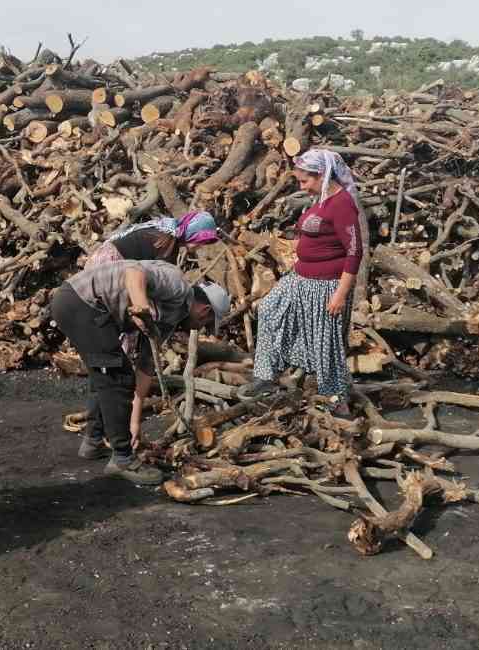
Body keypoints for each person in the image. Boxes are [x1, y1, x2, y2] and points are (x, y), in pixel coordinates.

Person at [51, 260, 230, 485]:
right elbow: (134, 272)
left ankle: (93, 441)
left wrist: (134, 423)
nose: (199, 329)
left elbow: (146, 366)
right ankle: (122, 459)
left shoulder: (171, 320)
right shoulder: (178, 286)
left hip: (82, 306)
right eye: (205, 324)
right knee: (116, 377)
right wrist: (140, 307)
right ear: (204, 311)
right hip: (80, 301)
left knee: (106, 374)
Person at [237, 149, 364, 414]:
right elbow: (316, 235)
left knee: (325, 341)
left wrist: (340, 294)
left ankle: (337, 399)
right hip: (300, 278)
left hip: (326, 285)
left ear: (323, 175)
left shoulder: (342, 204)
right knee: (269, 308)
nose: (301, 186)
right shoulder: (321, 199)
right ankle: (266, 374)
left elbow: (354, 251)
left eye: (305, 180)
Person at [85, 212, 220, 447]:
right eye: (200, 242)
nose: (198, 249)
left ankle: (103, 430)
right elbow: (138, 277)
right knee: (120, 359)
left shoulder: (167, 239)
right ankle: (109, 431)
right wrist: (144, 315)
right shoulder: (160, 240)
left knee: (118, 358)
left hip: (111, 277)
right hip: (107, 274)